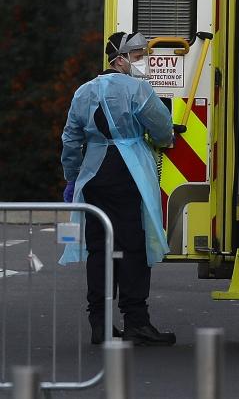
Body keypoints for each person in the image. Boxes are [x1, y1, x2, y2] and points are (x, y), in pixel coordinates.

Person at [61, 31, 176, 346]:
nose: (142, 62)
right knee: (133, 247)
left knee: (99, 249)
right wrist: (166, 141)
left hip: (94, 175)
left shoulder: (83, 92)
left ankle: (99, 324)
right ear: (120, 59)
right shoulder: (138, 89)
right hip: (128, 173)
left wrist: (73, 178)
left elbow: (71, 139)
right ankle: (137, 321)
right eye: (137, 56)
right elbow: (162, 127)